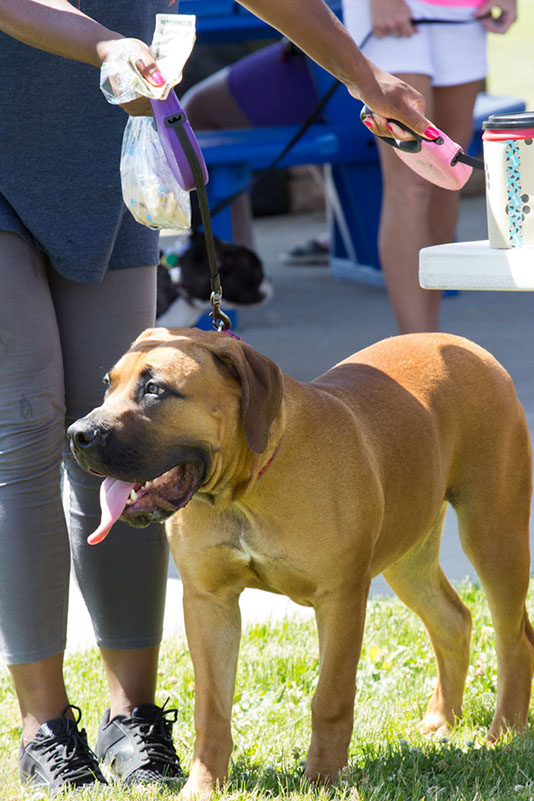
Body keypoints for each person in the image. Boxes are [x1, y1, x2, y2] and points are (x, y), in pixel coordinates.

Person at [0, 0, 436, 793]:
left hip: (121, 153)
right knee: (27, 418)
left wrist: (366, 76)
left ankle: (132, 713)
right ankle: (43, 724)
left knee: (140, 442)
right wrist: (106, 43)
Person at [345, 0, 517, 332]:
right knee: (410, 184)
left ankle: (432, 339)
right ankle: (417, 350)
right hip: (390, 9)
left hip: (462, 9)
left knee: (448, 177)